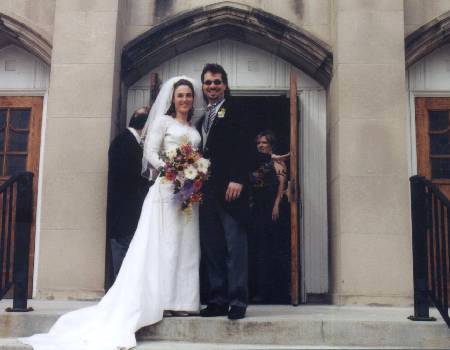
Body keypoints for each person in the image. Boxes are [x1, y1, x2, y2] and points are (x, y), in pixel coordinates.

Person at [19, 76, 205, 350]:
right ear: (172, 99)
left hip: (188, 193)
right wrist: (172, 169)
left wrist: (194, 172)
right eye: (180, 95)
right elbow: (151, 153)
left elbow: (197, 155)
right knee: (164, 245)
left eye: (189, 95)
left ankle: (184, 301)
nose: (185, 100)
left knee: (187, 245)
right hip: (166, 190)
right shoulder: (163, 123)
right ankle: (164, 299)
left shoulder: (194, 126)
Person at [198, 63, 251, 320]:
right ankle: (217, 299)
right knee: (213, 248)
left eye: (217, 82)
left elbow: (244, 146)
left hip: (231, 191)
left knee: (234, 247)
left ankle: (238, 301)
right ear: (203, 87)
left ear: (225, 85)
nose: (212, 86)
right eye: (208, 83)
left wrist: (238, 179)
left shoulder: (237, 110)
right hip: (206, 193)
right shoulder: (201, 119)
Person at [106, 106, 151, 286]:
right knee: (122, 253)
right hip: (123, 214)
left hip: (127, 212)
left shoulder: (128, 140)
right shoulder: (125, 142)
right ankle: (119, 293)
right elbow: (127, 178)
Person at [248, 130, 289, 303]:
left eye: (264, 143)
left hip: (271, 208)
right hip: (256, 208)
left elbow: (282, 184)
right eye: (258, 143)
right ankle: (258, 291)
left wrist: (276, 205)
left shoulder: (277, 162)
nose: (261, 146)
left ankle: (273, 292)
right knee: (257, 250)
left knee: (270, 249)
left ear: (271, 144)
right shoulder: (255, 162)